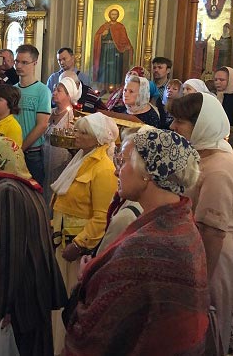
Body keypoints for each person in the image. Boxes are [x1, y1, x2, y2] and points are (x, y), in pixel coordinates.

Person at [64, 128, 209, 356]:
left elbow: (95, 334)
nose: (115, 171)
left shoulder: (146, 247)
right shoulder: (182, 223)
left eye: (122, 161)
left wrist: (89, 279)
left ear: (148, 172)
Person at [0, 136, 67, 356]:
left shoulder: (6, 191)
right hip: (29, 297)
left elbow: (6, 253)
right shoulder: (22, 186)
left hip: (20, 304)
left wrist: (3, 306)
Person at [169, 92, 233, 355]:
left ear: (202, 125)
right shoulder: (201, 156)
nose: (173, 127)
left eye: (180, 121)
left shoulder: (218, 168)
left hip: (211, 260)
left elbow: (211, 232)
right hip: (194, 251)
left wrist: (199, 286)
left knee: (203, 329)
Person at [50, 112, 118, 353]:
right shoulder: (81, 158)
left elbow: (102, 217)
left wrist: (78, 245)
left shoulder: (103, 168)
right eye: (77, 130)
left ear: (98, 138)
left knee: (69, 303)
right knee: (57, 303)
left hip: (75, 250)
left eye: (83, 132)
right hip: (61, 242)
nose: (76, 135)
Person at [14, 44, 51, 186]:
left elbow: (42, 125)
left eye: (24, 62)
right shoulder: (14, 90)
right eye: (17, 61)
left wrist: (21, 148)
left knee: (33, 196)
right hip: (13, 149)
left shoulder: (42, 91)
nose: (19, 65)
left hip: (32, 153)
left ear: (34, 63)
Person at [43, 77, 79, 208]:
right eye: (54, 89)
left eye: (59, 90)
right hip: (45, 162)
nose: (54, 92)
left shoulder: (72, 117)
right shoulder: (50, 112)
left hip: (62, 163)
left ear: (69, 95)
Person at [93, 8, 133, 89]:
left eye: (115, 14)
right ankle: (104, 87)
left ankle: (115, 87)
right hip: (105, 51)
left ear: (118, 15)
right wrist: (102, 35)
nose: (114, 16)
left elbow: (124, 39)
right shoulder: (104, 26)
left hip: (116, 51)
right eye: (112, 14)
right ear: (109, 15)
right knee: (105, 68)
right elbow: (97, 37)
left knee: (114, 69)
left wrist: (127, 46)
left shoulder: (120, 27)